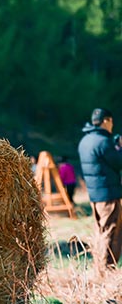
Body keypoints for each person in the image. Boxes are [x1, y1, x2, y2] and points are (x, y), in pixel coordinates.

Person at [78, 108, 122, 270]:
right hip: (108, 194)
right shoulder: (103, 141)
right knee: (111, 232)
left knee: (100, 232)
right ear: (106, 121)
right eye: (111, 122)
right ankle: (107, 270)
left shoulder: (86, 140)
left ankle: (99, 267)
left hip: (94, 194)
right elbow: (118, 162)